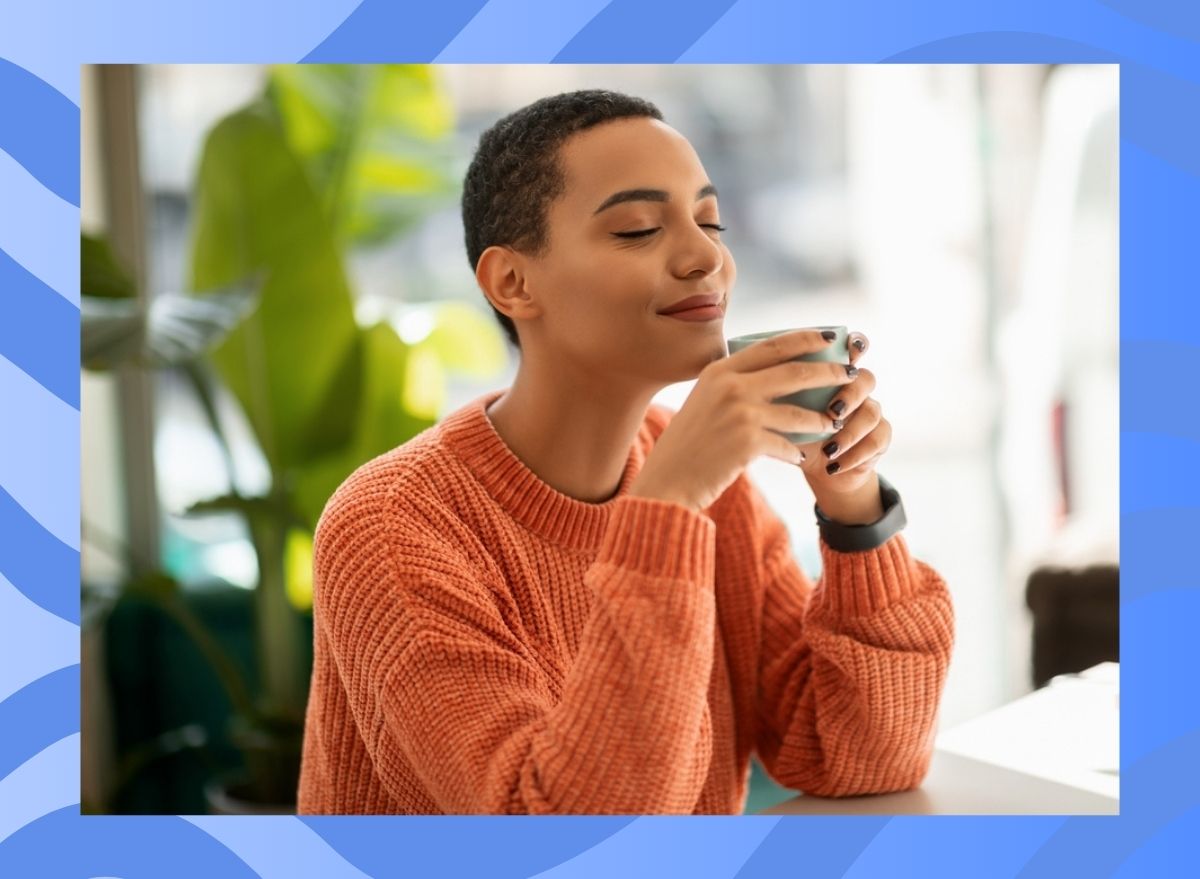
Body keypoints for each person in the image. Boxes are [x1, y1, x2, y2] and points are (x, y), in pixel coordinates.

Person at [297, 89, 955, 815]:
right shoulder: (392, 528)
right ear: (512, 282)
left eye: (711, 220)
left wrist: (853, 504)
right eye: (639, 229)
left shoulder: (712, 489)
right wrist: (666, 507)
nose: (708, 256)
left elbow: (860, 756)